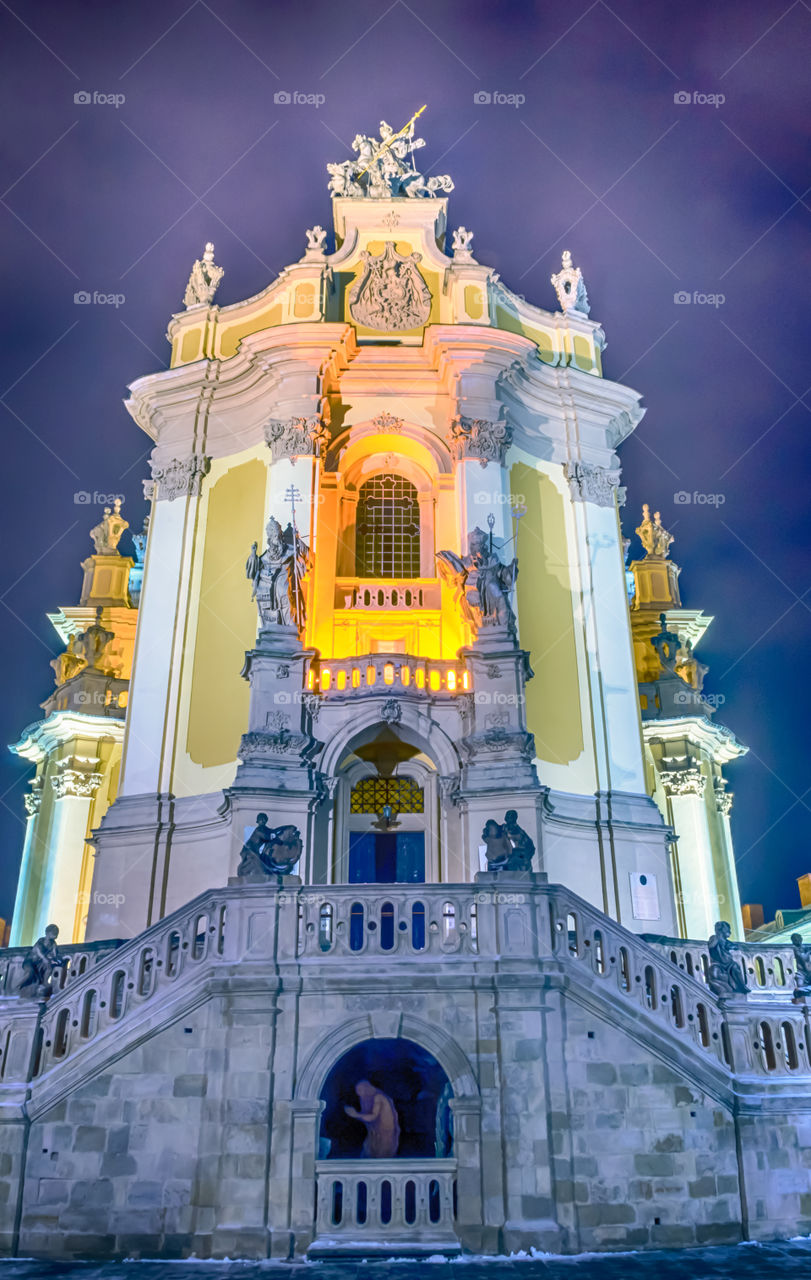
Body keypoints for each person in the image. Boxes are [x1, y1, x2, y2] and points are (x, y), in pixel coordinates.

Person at [345, 1079, 400, 1158]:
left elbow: (372, 1117)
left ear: (367, 1088)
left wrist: (355, 1114)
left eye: (360, 1090)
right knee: (367, 1154)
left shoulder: (378, 1097)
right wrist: (355, 1115)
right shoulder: (365, 1099)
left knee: (381, 1157)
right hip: (374, 1132)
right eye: (357, 1091)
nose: (358, 1093)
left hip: (385, 1133)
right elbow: (365, 1117)